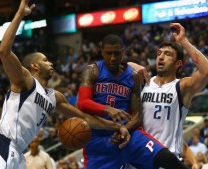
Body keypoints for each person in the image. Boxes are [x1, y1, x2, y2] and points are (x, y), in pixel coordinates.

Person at [0, 1, 130, 168]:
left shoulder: (54, 97)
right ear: (34, 66)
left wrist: (116, 126)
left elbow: (85, 118)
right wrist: (20, 14)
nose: (50, 63)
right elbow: (4, 51)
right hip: (1, 146)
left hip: (18, 153)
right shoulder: (26, 81)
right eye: (45, 60)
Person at [77, 34, 188, 168]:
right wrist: (107, 109)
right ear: (102, 52)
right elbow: (82, 103)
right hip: (98, 140)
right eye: (108, 53)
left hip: (129, 135)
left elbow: (137, 115)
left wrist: (124, 129)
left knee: (168, 159)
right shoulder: (91, 71)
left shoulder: (133, 76)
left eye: (117, 53)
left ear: (123, 52)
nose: (112, 58)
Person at [129, 23, 208, 168]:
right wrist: (131, 64)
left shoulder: (182, 86)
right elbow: (116, 66)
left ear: (178, 63)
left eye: (167, 54)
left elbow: (207, 70)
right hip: (140, 160)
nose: (161, 57)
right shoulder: (144, 82)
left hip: (169, 161)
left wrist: (183, 41)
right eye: (159, 53)